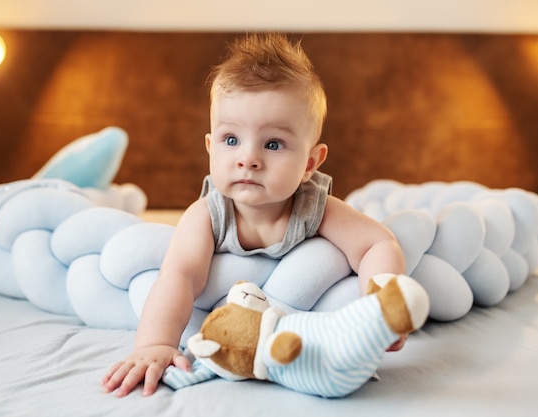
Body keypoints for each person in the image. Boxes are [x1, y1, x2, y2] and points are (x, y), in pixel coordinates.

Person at [102, 32, 406, 398]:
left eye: (273, 144)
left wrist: (384, 304)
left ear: (310, 162)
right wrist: (154, 344)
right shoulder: (207, 215)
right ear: (210, 147)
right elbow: (179, 277)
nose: (249, 158)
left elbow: (377, 243)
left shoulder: (314, 207)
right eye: (231, 140)